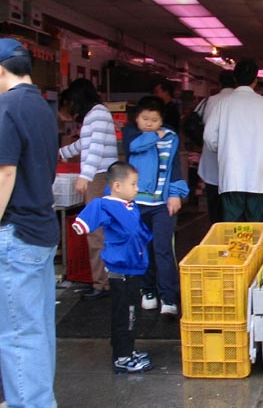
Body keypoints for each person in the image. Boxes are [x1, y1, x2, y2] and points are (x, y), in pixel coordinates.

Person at [0, 38, 59, 408]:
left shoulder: (7, 106)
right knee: (38, 326)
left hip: (16, 232)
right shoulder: (41, 106)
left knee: (17, 333)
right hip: (41, 229)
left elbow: (5, 172)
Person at [71, 161, 153, 373]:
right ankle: (122, 357)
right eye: (133, 184)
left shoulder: (130, 206)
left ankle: (127, 350)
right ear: (117, 186)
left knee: (131, 314)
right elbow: (82, 223)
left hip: (134, 269)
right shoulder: (105, 205)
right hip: (122, 272)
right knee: (125, 315)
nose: (137, 188)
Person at [123, 95, 189, 317]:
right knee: (143, 248)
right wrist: (155, 135)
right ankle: (148, 290)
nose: (149, 124)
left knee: (163, 249)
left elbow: (175, 167)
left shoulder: (170, 137)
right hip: (136, 203)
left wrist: (175, 195)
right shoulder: (131, 133)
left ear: (162, 120)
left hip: (162, 204)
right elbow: (135, 147)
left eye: (154, 120)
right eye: (145, 119)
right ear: (136, 118)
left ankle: (168, 296)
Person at [59, 77, 119, 300]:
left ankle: (102, 284)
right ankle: (103, 280)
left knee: (96, 231)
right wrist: (62, 153)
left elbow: (95, 148)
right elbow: (85, 144)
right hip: (100, 175)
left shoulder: (97, 114)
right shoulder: (96, 114)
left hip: (99, 177)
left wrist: (85, 176)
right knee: (99, 231)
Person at [203, 58, 263, 223]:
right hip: (259, 176)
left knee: (232, 226)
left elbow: (209, 136)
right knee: (257, 225)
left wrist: (224, 148)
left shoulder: (223, 104)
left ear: (235, 78)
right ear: (255, 80)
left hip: (231, 174)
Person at [196, 71, 236, 224]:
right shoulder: (239, 102)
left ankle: (216, 230)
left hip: (210, 161)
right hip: (235, 164)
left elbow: (202, 129)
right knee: (233, 206)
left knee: (214, 205)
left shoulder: (209, 101)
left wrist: (213, 147)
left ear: (219, 84)